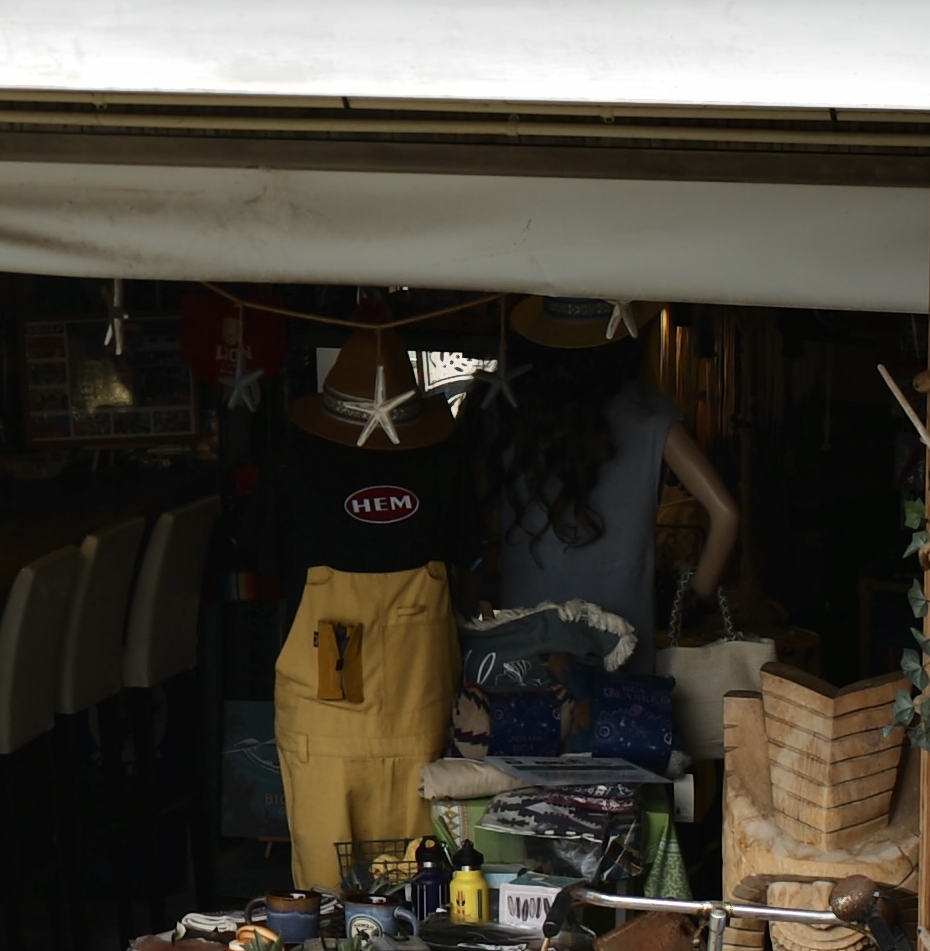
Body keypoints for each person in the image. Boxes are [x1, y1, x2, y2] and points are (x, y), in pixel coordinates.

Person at [272, 331, 467, 891]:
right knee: (423, 899)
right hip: (414, 726)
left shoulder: (294, 462)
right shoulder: (443, 464)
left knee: (327, 913)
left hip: (338, 731)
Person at [479, 297, 742, 641]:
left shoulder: (503, 410)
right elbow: (726, 514)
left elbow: (468, 514)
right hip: (621, 637)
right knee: (620, 696)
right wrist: (697, 592)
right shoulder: (651, 415)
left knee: (524, 694)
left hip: (525, 631)